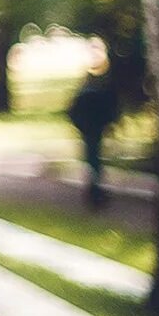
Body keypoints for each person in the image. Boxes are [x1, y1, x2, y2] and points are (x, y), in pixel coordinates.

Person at [65, 41, 121, 210]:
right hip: (94, 128)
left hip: (91, 128)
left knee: (92, 159)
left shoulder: (87, 91)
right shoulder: (99, 89)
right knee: (94, 159)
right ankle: (95, 190)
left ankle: (94, 189)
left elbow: (73, 112)